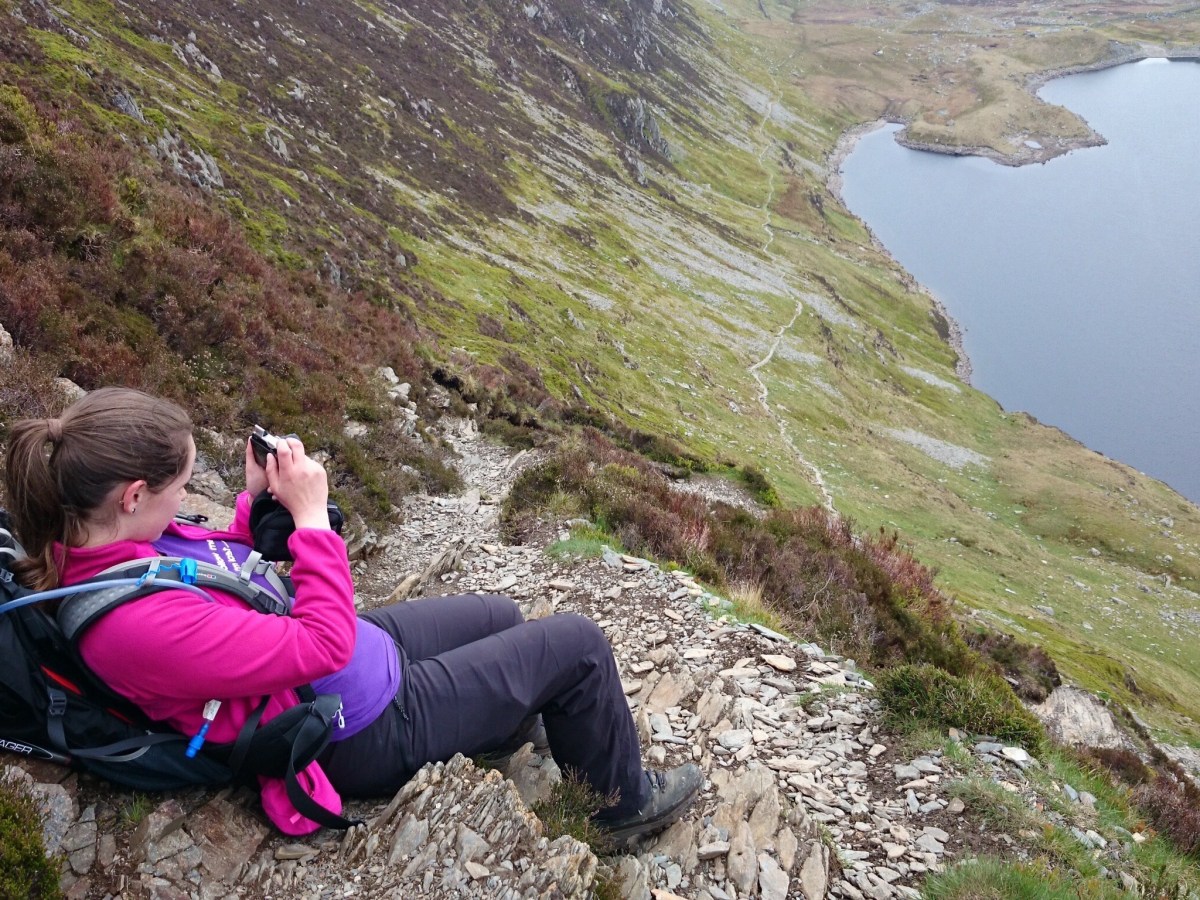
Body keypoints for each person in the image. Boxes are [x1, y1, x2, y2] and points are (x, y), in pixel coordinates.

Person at [4, 387, 701, 837]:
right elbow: (322, 645)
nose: (186, 497)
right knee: (578, 645)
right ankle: (621, 808)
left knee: (502, 614)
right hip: (354, 726)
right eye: (181, 485)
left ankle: (503, 723)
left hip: (344, 662)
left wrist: (253, 502)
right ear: (132, 495)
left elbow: (221, 566)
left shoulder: (111, 540)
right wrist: (311, 522)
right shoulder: (134, 629)